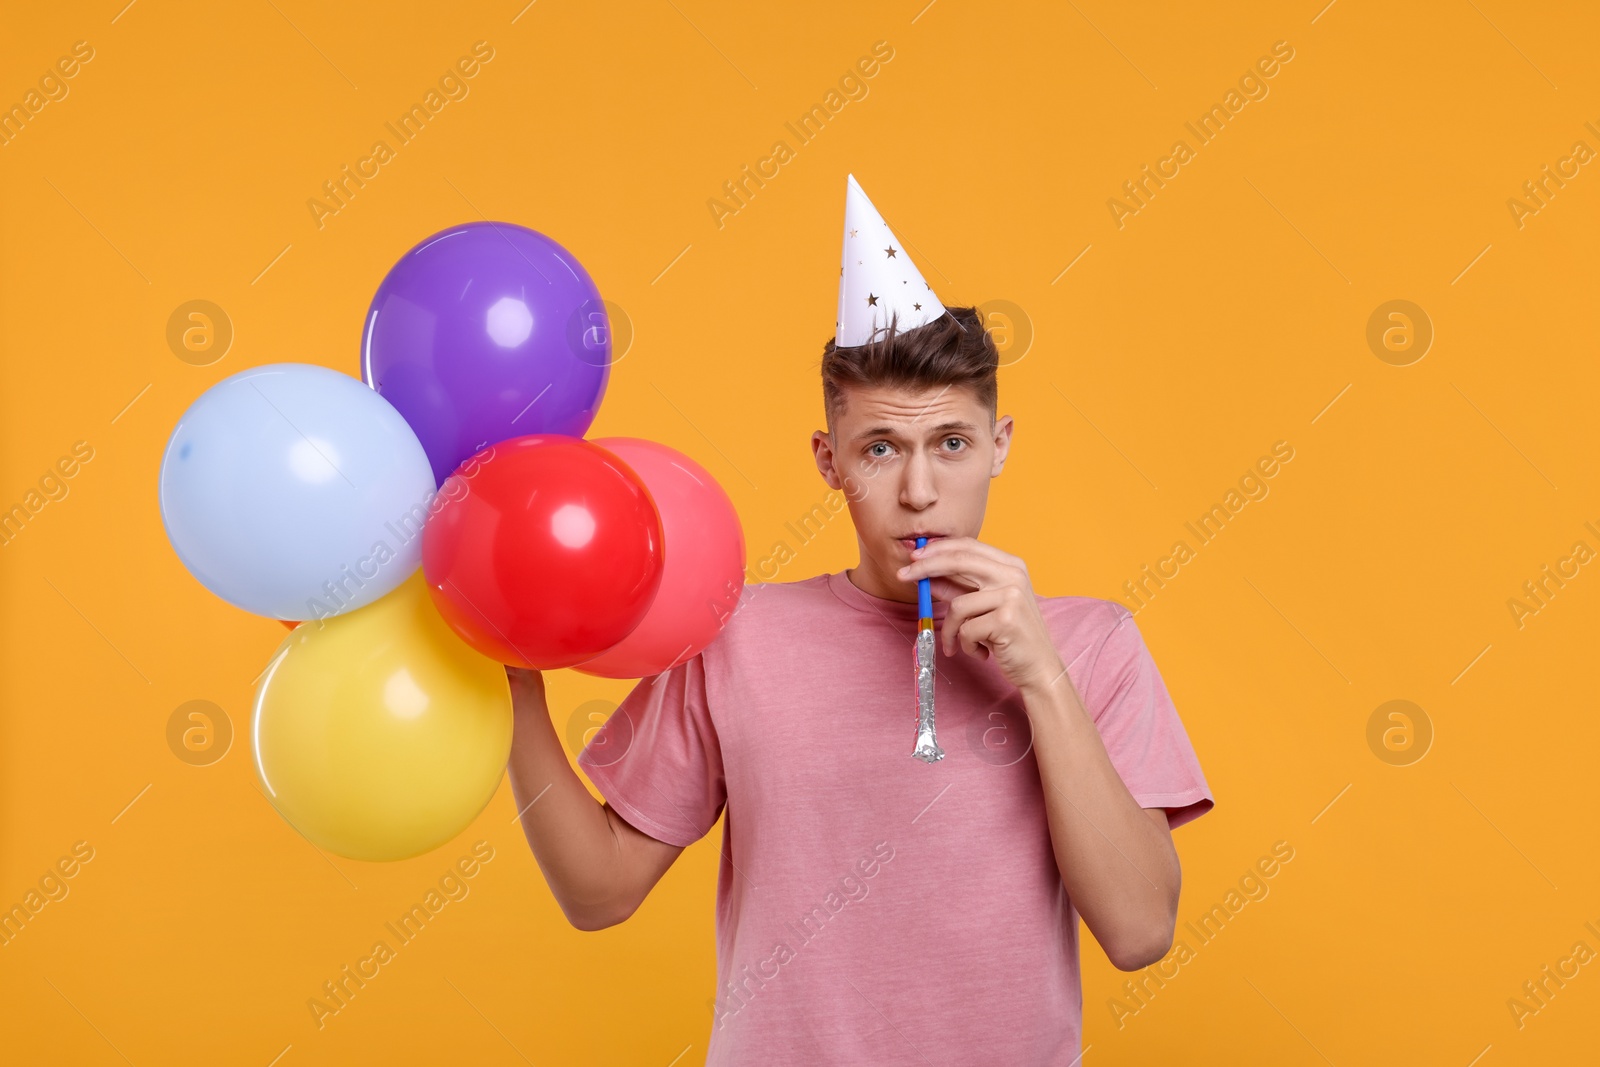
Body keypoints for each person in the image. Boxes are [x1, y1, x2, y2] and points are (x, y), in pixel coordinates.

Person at [505, 175, 1214, 1064]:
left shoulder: (1091, 644)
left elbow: (1141, 929)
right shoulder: (736, 637)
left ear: (999, 447)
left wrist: (1040, 677)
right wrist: (511, 677)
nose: (920, 491)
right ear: (829, 461)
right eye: (881, 448)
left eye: (951, 444)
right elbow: (597, 892)